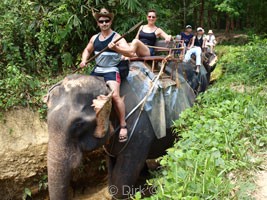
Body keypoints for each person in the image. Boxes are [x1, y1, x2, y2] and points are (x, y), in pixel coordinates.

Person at [80, 8, 134, 142]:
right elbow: (87, 50)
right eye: (101, 21)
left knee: (115, 95)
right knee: (84, 93)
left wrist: (116, 48)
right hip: (98, 70)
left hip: (111, 69)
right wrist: (84, 60)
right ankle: (88, 123)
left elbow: (130, 53)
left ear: (111, 21)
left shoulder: (117, 37)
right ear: (98, 23)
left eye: (107, 21)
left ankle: (123, 125)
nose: (104, 23)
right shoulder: (94, 38)